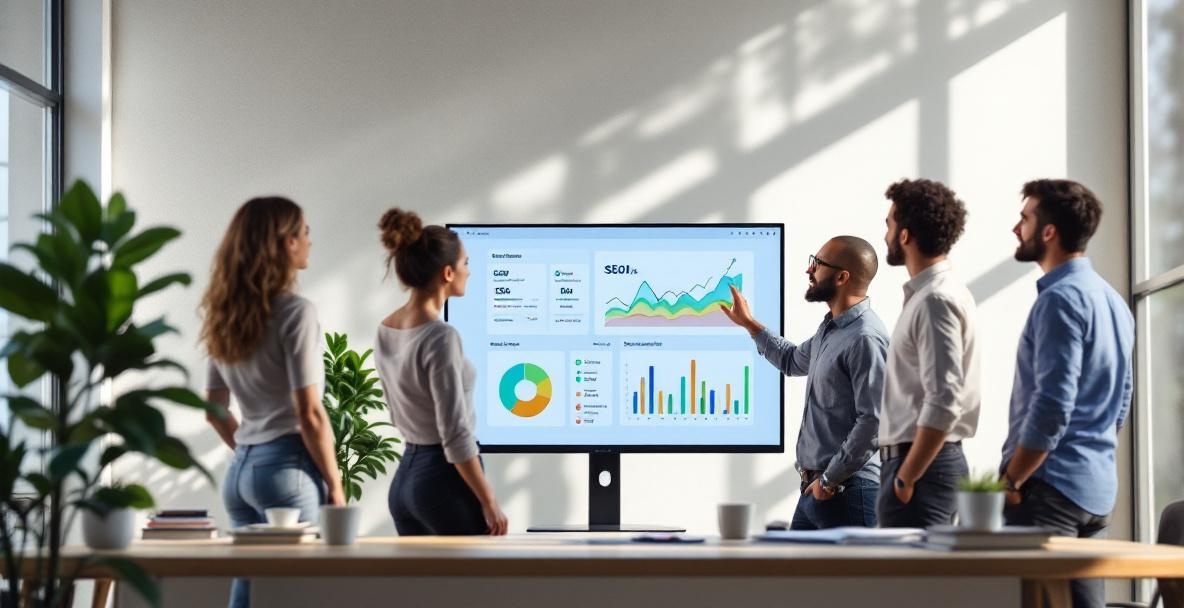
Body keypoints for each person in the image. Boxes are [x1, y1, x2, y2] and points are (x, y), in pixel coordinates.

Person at [200, 197, 345, 608]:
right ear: (285, 243)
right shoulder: (296, 312)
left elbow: (213, 407)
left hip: (241, 471)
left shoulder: (223, 315)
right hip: (288, 470)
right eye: (304, 233)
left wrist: (251, 449)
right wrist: (335, 487)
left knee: (247, 592)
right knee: (298, 594)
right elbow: (310, 412)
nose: (310, 242)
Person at [1000, 180, 1134, 608]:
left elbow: (1052, 405)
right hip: (1096, 489)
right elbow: (1123, 396)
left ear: (1049, 232)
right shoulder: (1112, 300)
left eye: (1025, 218)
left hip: (1049, 490)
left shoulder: (1060, 299)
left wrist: (1014, 477)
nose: (1016, 228)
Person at [722, 236, 889, 529]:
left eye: (817, 263)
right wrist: (750, 324)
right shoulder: (831, 330)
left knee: (851, 577)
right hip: (817, 490)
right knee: (790, 575)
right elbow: (791, 360)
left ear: (841, 277)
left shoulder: (865, 338)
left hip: (847, 491)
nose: (809, 270)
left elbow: (874, 420)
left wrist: (829, 479)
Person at [375, 208, 508, 536]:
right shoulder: (439, 335)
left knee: (422, 588)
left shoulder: (386, 328)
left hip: (405, 478)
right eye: (466, 263)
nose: (469, 271)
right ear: (448, 273)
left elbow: (397, 411)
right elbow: (454, 431)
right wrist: (489, 500)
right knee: (475, 586)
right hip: (443, 479)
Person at [877, 178, 980, 528]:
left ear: (905, 236)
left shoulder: (935, 300)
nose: (886, 234)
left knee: (910, 583)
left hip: (921, 467)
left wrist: (906, 477)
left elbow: (945, 399)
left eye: (889, 224)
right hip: (920, 464)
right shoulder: (932, 295)